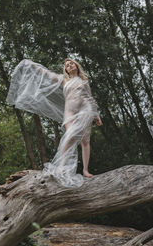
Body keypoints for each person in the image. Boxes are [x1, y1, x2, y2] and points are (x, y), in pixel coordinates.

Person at [6, 58, 102, 187]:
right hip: (70, 112)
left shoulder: (84, 81)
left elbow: (90, 98)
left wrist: (96, 115)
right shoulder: (63, 80)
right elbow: (46, 74)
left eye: (71, 63)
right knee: (70, 137)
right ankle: (62, 167)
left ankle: (85, 170)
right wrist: (32, 65)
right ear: (66, 70)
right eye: (67, 65)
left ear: (76, 66)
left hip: (86, 110)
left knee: (85, 141)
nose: (70, 65)